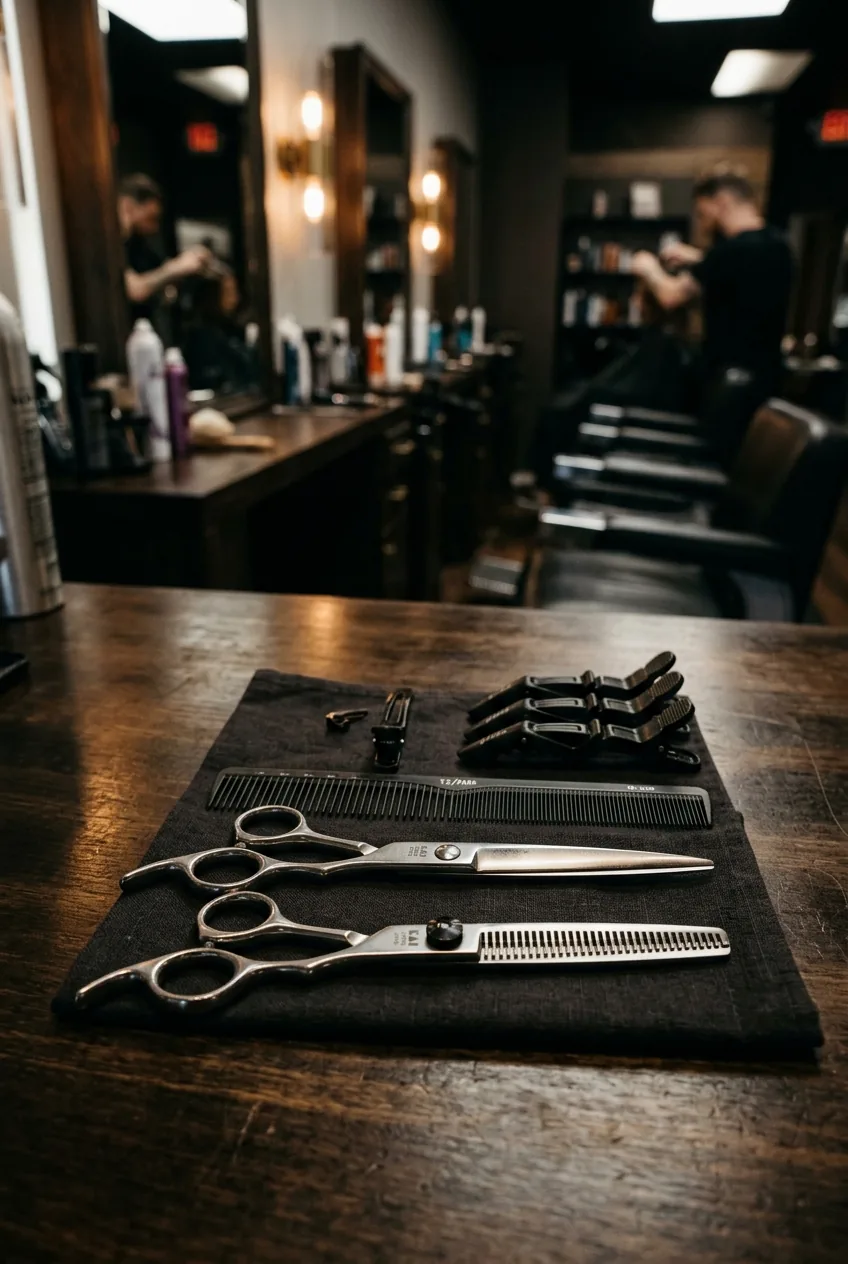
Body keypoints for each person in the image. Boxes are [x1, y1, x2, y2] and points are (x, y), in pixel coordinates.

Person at [630, 168, 793, 399]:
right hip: (764, 378)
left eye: (702, 213)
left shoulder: (731, 250)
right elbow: (739, 277)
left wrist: (648, 267)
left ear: (721, 202)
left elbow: (671, 296)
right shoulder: (779, 246)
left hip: (726, 381)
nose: (703, 223)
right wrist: (700, 258)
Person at [117, 174, 212, 325]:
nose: (154, 229)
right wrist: (177, 267)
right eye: (151, 218)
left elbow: (162, 290)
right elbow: (134, 290)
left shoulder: (139, 245)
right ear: (128, 206)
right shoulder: (112, 245)